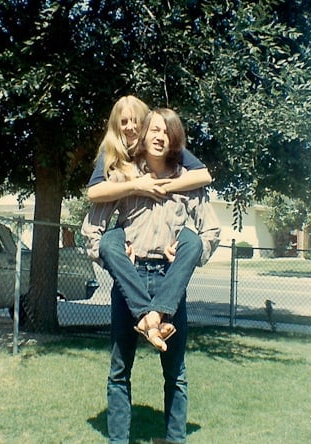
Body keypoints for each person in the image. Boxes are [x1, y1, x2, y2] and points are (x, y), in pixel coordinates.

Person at [82, 108, 220, 444]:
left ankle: (153, 315)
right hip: (131, 279)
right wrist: (112, 257)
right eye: (154, 129)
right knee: (119, 372)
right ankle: (119, 440)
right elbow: (92, 229)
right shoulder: (126, 178)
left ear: (175, 140)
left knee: (176, 374)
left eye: (167, 131)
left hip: (168, 278)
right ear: (143, 135)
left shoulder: (185, 180)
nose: (160, 136)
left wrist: (193, 254)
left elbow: (212, 228)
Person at [86, 96, 213, 348]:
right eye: (124, 122)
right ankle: (148, 316)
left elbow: (204, 175)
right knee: (111, 240)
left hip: (167, 264)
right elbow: (93, 193)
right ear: (116, 126)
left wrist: (164, 186)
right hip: (130, 252)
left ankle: (153, 316)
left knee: (191, 239)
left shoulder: (168, 147)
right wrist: (136, 186)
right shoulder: (113, 155)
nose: (131, 128)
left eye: (136, 122)